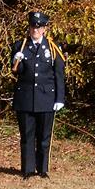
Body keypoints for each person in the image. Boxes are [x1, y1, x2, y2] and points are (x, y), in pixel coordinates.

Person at [11, 11, 65, 179]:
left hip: (46, 98)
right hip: (26, 97)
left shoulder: (53, 48)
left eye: (38, 27)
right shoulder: (20, 46)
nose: (35, 29)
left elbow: (59, 74)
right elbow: (16, 72)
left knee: (44, 136)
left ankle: (42, 169)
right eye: (32, 26)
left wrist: (59, 98)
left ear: (44, 29)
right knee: (27, 135)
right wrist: (15, 61)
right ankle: (27, 169)